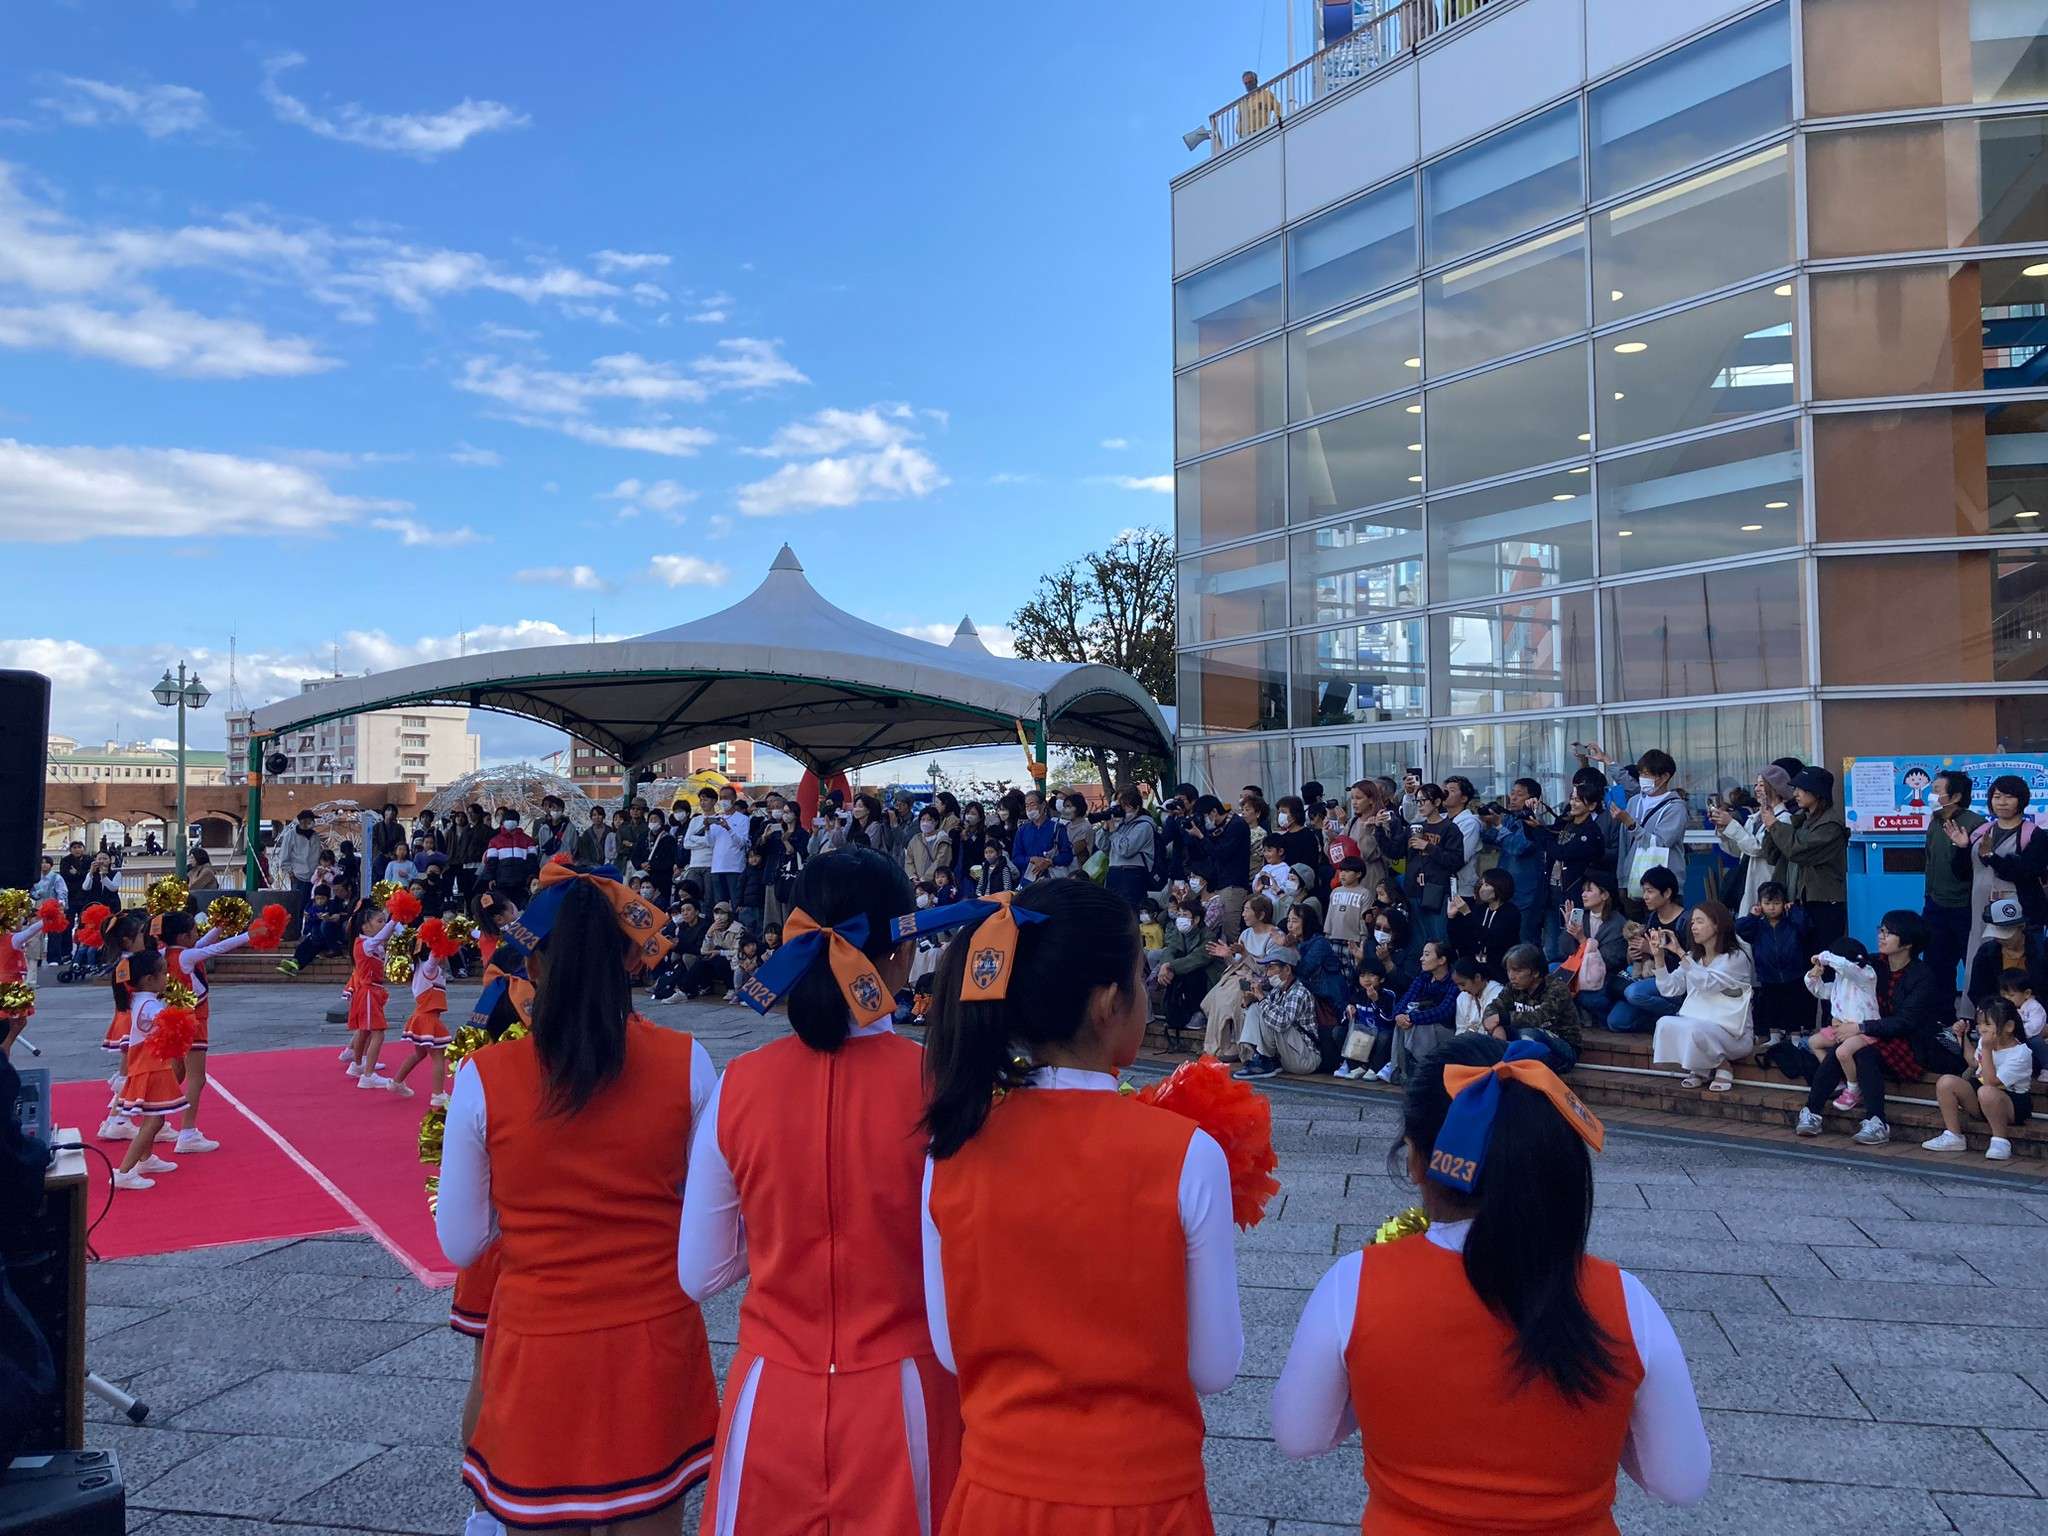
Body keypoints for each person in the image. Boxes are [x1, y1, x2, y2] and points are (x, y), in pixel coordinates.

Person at [1270, 1035, 1711, 1527]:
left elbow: (1300, 1435)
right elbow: (1681, 1481)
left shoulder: (1353, 1285)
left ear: (1415, 1159)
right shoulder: (1626, 1301)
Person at [919, 878, 1243, 1533]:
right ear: (1107, 1003)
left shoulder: (951, 1146)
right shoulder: (1188, 1153)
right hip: (1143, 1498)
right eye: (1141, 980)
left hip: (996, 1496)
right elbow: (1214, 1366)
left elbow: (952, 1351)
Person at [678, 849, 964, 1530]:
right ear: (901, 954)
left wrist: (781, 1230)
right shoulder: (944, 1084)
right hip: (909, 1400)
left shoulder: (738, 1085)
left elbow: (700, 1272)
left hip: (770, 1397)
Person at [436, 864, 717, 1533]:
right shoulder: (688, 1061)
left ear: (533, 962)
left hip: (540, 1345)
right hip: (655, 1341)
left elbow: (463, 1242)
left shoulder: (484, 1076)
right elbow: (707, 1233)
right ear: (630, 959)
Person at [1797, 910, 1962, 1147]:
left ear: (1907, 943)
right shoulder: (1873, 963)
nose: (1881, 936)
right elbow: (1845, 992)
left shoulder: (1922, 975)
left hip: (1907, 1041)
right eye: (1881, 930)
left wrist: (1860, 1027)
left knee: (1862, 1052)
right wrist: (1841, 1019)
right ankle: (1811, 1112)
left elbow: (1906, 1022)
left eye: (1888, 932)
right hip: (1869, 1032)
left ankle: (1876, 1121)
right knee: (1843, 1047)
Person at [1648, 902, 1754, 1092]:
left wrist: (1680, 953)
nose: (1694, 927)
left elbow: (1707, 984)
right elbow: (1669, 989)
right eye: (1692, 923)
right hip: (1700, 1026)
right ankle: (1702, 1066)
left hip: (1733, 1034)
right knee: (1664, 1023)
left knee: (1694, 1029)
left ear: (1717, 925)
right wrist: (1659, 957)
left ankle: (1722, 1065)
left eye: (1700, 921)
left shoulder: (1735, 957)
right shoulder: (1694, 957)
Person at [109, 951, 191, 1191]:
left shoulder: (140, 999)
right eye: (163, 972)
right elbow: (168, 1022)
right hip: (151, 1068)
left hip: (152, 1065)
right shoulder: (148, 1004)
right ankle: (124, 1172)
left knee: (156, 1115)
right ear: (148, 979)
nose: (167, 977)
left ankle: (146, 1159)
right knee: (154, 1121)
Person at [1923, 998, 2034, 1160]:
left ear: (2009, 1026)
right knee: (1946, 1082)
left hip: (2012, 1104)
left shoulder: (2020, 1053)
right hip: (1983, 1096)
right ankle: (1954, 1135)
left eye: (1988, 1024)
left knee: (1987, 1092)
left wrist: (1987, 1050)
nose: (1982, 1029)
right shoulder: (1985, 1041)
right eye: (1980, 1024)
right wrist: (1963, 1037)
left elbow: (1991, 1082)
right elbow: (1974, 1063)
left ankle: (2000, 1141)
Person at [1953, 774, 2048, 964]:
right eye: (1997, 797)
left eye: (2009, 797)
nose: (2002, 802)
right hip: (1980, 911)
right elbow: (1962, 874)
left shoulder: (2034, 835)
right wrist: (1962, 848)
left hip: (2020, 915)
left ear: (2021, 800)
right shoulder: (1980, 832)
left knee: (2018, 963)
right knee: (1980, 961)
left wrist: (1991, 857)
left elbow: (2025, 873)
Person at [1761, 766, 1850, 955]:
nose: (1795, 794)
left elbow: (1798, 850)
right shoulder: (1802, 821)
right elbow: (1771, 855)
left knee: (1823, 957)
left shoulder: (1830, 826)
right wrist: (1770, 826)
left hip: (1825, 904)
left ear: (1816, 792)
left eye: (1800, 789)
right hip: (1801, 902)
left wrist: (1775, 825)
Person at [1603, 867, 1689, 1033]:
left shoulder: (1684, 921)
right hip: (1647, 976)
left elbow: (1688, 963)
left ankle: (1679, 1012)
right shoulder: (1651, 919)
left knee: (1633, 993)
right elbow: (1637, 957)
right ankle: (1656, 1018)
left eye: (1650, 891)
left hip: (1673, 981)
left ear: (1667, 893)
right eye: (1644, 891)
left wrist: (1651, 950)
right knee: (1615, 1022)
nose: (1645, 897)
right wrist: (1632, 954)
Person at [1923, 769, 1983, 1001]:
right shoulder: (1935, 822)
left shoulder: (1975, 824)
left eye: (1937, 790)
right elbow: (1930, 861)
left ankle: (1975, 1015)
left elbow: (1976, 867)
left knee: (1973, 964)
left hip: (1965, 907)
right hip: (1935, 905)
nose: (1931, 795)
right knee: (1936, 965)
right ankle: (1943, 1016)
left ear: (1955, 796)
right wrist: (1929, 896)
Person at [1199, 894, 1281, 1057]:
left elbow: (1268, 970)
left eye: (1247, 910)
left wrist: (1245, 954)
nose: (1243, 914)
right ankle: (1219, 1045)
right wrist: (1227, 956)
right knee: (1217, 997)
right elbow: (1236, 964)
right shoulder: (1246, 934)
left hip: (1260, 981)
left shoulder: (1274, 935)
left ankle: (1236, 1045)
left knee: (1231, 997)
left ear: (1261, 914)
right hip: (1239, 976)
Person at [1735, 881, 1812, 1045]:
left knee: (1794, 1005)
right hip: (1767, 974)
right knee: (1771, 1005)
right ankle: (1774, 1034)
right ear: (1759, 904)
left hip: (1793, 972)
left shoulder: (1791, 922)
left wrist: (1794, 911)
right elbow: (1740, 929)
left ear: (1784, 903)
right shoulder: (1758, 925)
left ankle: (1795, 1035)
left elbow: (1806, 928)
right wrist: (1752, 916)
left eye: (1776, 903)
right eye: (1767, 903)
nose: (1772, 908)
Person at [1484, 943, 1583, 1071]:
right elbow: (1492, 1008)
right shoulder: (1513, 987)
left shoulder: (1556, 989)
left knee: (1528, 1033)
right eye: (1509, 971)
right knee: (1489, 1035)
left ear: (1535, 972)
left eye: (1517, 971)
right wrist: (1497, 1027)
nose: (1511, 976)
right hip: (1526, 1041)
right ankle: (1506, 1062)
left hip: (1562, 1049)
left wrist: (1502, 1018)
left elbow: (1538, 1017)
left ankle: (1509, 1064)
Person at [1232, 946, 1321, 1080]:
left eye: (1272, 968)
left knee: (1268, 1012)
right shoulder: (1278, 990)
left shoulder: (1298, 992)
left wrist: (1261, 998)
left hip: (1306, 1059)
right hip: (1289, 1054)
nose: (1267, 974)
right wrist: (1249, 1002)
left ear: (1287, 969)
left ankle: (1265, 1060)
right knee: (1256, 1008)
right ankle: (1262, 1057)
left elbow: (1281, 1023)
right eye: (1267, 968)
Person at [1561, 874, 1630, 1031]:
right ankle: (1579, 1016)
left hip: (1605, 978)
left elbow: (1607, 960)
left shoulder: (1618, 923)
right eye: (1583, 891)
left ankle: (1601, 1017)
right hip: (1578, 970)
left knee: (1586, 996)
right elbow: (1565, 951)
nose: (1583, 895)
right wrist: (1568, 929)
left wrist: (1582, 939)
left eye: (1589, 890)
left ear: (1604, 895)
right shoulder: (1582, 917)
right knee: (1553, 970)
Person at [1384, 939, 1457, 1085]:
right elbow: (1406, 998)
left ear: (1442, 960)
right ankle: (1399, 1068)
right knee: (1402, 1023)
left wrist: (1411, 1018)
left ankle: (1421, 1069)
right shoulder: (1424, 977)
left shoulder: (1453, 981)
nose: (1421, 958)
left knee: (1417, 1025)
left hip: (1445, 1029)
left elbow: (1443, 1012)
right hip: (1422, 1025)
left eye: (1427, 954)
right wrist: (1399, 1015)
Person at [343, 904, 401, 1088]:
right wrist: (394, 920)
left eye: (384, 921)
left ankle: (357, 1065)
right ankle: (368, 1075)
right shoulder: (366, 944)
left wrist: (397, 921)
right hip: (368, 992)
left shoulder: (368, 943)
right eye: (379, 921)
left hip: (371, 991)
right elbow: (383, 935)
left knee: (365, 1031)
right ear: (365, 927)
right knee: (378, 1033)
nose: (383, 925)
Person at [1153, 894, 1221, 1049]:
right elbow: (1169, 950)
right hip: (1180, 974)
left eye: (1185, 915)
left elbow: (1197, 959)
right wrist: (1165, 966)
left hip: (1205, 979)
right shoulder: (1179, 934)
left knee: (1192, 972)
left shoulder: (1208, 936)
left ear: (1196, 919)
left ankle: (1199, 1012)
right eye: (1179, 915)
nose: (1180, 919)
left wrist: (1170, 966)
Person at [1403, 785, 1464, 946]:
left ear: (1437, 802)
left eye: (1423, 801)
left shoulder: (1450, 828)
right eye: (1417, 801)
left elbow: (1455, 861)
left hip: (1436, 891)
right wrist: (1383, 829)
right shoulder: (1416, 827)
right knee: (1417, 940)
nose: (1420, 805)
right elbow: (1395, 851)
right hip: (1414, 889)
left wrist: (1428, 847)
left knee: (1439, 939)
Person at [1447, 870, 1517, 982]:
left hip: (1498, 971)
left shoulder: (1511, 913)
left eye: (1487, 885)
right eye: (1481, 884)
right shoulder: (1479, 908)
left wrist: (1467, 914)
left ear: (1499, 887)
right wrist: (1452, 918)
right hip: (1475, 969)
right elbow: (1458, 941)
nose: (1481, 889)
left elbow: (1491, 940)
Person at [1105, 787, 1158, 912]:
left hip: (1132, 874)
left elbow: (1126, 850)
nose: (1123, 810)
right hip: (1114, 872)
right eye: (1121, 806)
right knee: (1113, 912)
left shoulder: (1144, 826)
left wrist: (1113, 831)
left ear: (1137, 807)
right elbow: (1103, 846)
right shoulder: (1121, 825)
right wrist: (1105, 828)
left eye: (1127, 806)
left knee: (1131, 912)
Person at [276, 809, 324, 923]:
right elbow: (284, 857)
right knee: (297, 907)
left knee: (312, 907)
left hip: (314, 877)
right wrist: (290, 872)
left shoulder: (315, 836)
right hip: (298, 876)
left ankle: (308, 930)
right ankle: (296, 929)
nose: (311, 823)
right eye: (310, 821)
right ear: (303, 821)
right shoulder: (290, 835)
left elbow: (319, 854)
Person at [483, 809, 538, 900]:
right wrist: (490, 878)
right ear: (503, 822)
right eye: (508, 819)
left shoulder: (527, 840)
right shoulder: (495, 841)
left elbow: (532, 861)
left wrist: (532, 876)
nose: (510, 821)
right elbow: (491, 862)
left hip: (522, 883)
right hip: (501, 882)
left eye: (513, 819)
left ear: (518, 822)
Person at [1234, 66, 1280, 138]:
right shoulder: (1242, 102)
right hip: (1247, 135)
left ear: (1256, 81)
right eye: (1246, 83)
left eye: (1250, 82)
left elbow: (1278, 107)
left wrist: (1276, 121)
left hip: (1263, 131)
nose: (1248, 85)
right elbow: (1239, 120)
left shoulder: (1266, 94)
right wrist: (1239, 131)